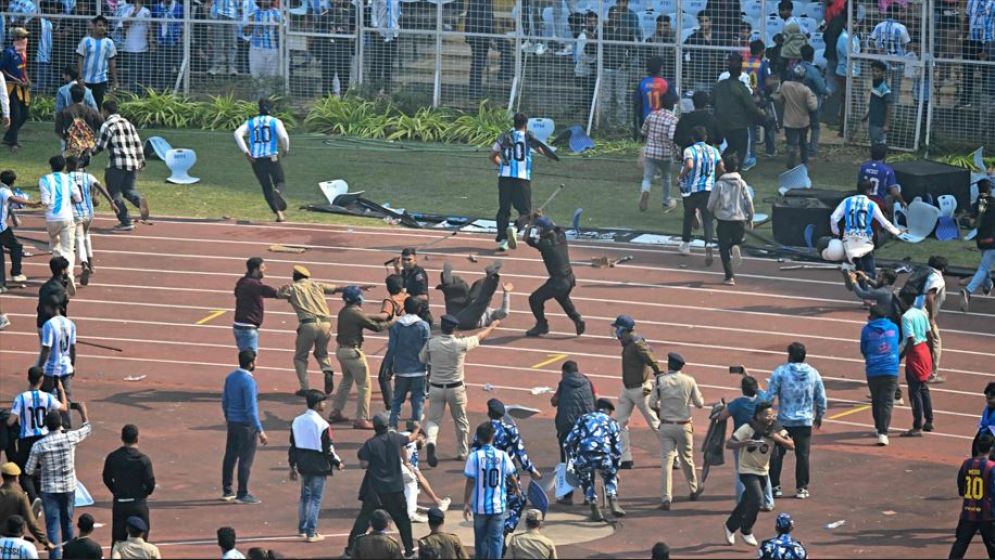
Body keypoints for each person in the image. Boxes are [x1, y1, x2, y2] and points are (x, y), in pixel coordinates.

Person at [421, 314, 499, 466]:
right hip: (455, 387)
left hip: (436, 386)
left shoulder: (432, 343)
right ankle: (462, 452)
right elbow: (479, 336)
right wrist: (493, 326)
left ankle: (431, 441)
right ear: (454, 328)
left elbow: (422, 359)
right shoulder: (461, 344)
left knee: (433, 420)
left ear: (442, 327)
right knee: (461, 421)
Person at [25, 405, 92, 560]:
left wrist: (41, 470)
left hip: (49, 489)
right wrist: (83, 412)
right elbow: (87, 429)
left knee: (52, 527)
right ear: (60, 423)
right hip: (68, 487)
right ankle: (69, 556)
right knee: (67, 523)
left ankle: (54, 556)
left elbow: (28, 470)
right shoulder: (70, 437)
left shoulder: (39, 445)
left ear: (46, 425)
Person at [724, 402, 794, 547]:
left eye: (771, 414)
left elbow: (791, 445)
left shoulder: (776, 428)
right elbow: (729, 443)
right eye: (766, 415)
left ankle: (730, 526)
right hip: (747, 469)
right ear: (758, 415)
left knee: (745, 502)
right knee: (757, 499)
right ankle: (746, 530)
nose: (770, 417)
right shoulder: (747, 428)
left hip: (762, 470)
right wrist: (742, 444)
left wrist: (777, 438)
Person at [763, 342, 826, 500]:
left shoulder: (781, 372)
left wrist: (764, 414)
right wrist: (819, 415)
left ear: (790, 356)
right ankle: (802, 488)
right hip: (804, 421)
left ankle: (775, 486)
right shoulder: (813, 373)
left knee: (777, 454)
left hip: (784, 420)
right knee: (803, 455)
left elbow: (769, 396)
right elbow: (821, 397)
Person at [346, 413, 413, 558]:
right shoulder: (395, 438)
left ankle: (350, 549)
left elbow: (364, 463)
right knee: (403, 520)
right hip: (395, 489)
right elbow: (409, 439)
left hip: (375, 490)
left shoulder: (370, 443)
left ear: (374, 427)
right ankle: (409, 549)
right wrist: (418, 430)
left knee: (363, 520)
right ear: (387, 426)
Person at [470, 399, 541, 535]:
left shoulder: (482, 430)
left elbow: (473, 453)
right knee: (518, 501)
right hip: (507, 475)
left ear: (488, 413)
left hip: (485, 476)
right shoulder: (510, 430)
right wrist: (532, 470)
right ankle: (507, 527)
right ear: (502, 415)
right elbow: (521, 453)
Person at [329, 285, 393, 429]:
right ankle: (361, 418)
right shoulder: (355, 313)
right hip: (352, 353)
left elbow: (363, 317)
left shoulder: (344, 311)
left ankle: (336, 410)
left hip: (341, 350)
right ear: (358, 299)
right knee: (364, 385)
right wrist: (394, 320)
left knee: (346, 380)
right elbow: (377, 327)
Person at [276, 265, 342, 397]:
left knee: (300, 357)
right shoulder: (317, 285)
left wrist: (282, 289)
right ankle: (327, 370)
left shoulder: (293, 288)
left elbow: (279, 295)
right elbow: (337, 288)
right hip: (326, 324)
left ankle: (305, 387)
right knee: (321, 352)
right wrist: (356, 287)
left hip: (308, 324)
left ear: (295, 277)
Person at [650, 352, 704, 511]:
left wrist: (662, 409)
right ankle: (693, 489)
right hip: (684, 424)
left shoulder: (661, 381)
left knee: (666, 461)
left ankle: (666, 497)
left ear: (669, 365)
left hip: (666, 425)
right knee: (687, 458)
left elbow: (652, 403)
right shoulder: (689, 381)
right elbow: (699, 403)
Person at [490, 114, 552, 252]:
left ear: (514, 123)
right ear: (526, 124)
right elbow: (541, 150)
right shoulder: (528, 137)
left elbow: (492, 155)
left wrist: (503, 165)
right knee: (525, 211)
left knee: (503, 209)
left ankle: (503, 240)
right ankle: (515, 227)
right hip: (522, 178)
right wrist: (549, 155)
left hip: (505, 178)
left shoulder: (504, 137)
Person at [7, 367, 68, 505]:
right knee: (45, 469)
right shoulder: (47, 397)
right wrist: (61, 389)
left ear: (28, 379)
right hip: (44, 439)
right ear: (41, 380)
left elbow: (11, 421)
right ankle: (44, 498)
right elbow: (64, 408)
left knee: (25, 473)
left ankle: (34, 499)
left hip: (26, 441)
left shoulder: (21, 398)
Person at [289, 390, 343, 543]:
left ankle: (302, 528)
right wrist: (337, 462)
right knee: (315, 498)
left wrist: (292, 465)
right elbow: (328, 449)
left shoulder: (297, 421)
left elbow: (293, 445)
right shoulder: (323, 424)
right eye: (323, 402)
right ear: (317, 404)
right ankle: (311, 532)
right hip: (318, 463)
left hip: (302, 461)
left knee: (305, 496)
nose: (325, 404)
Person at [610, 315, 661, 470]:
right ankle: (625, 458)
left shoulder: (637, 343)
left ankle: (674, 456)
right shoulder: (627, 343)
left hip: (641, 389)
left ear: (623, 330)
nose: (615, 332)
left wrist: (659, 374)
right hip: (627, 388)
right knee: (619, 423)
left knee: (654, 423)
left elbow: (652, 359)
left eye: (617, 329)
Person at [716, 375, 774, 510]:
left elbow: (721, 416)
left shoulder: (738, 403)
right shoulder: (762, 399)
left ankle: (743, 503)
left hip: (742, 440)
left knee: (741, 472)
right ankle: (768, 501)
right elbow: (759, 388)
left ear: (742, 389)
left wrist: (722, 407)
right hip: (762, 439)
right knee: (764, 470)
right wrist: (745, 373)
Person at [462, 421, 518, 559]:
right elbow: (511, 475)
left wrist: (466, 502)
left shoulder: (474, 457)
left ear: (478, 438)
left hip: (480, 507)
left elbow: (470, 480)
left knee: (480, 539)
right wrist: (517, 488)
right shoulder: (502, 456)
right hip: (498, 506)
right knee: (496, 539)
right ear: (493, 437)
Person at [524, 216, 585, 337]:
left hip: (558, 281)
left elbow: (527, 238)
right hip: (570, 278)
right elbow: (553, 227)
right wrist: (539, 218)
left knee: (534, 299)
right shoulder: (561, 235)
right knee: (562, 298)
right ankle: (577, 318)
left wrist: (531, 224)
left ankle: (542, 325)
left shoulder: (546, 245)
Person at [220, 350, 268, 505]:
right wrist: (260, 430)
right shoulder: (249, 382)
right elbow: (251, 409)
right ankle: (242, 492)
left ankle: (227, 490)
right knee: (246, 460)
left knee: (230, 456)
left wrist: (229, 417)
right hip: (246, 425)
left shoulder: (230, 377)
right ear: (251, 363)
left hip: (233, 423)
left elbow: (225, 401)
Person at [93, 99, 148, 231]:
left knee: (114, 192)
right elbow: (137, 143)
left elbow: (100, 146)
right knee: (128, 190)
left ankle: (126, 220)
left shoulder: (107, 125)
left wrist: (89, 153)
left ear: (105, 111)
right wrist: (141, 160)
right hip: (133, 162)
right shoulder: (128, 123)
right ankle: (139, 200)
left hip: (117, 163)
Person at [564, 398, 624, 521]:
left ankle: (594, 506)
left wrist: (573, 459)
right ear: (608, 411)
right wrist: (616, 468)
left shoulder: (583, 418)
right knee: (610, 476)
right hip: (604, 455)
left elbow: (568, 442)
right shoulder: (612, 422)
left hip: (584, 455)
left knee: (586, 480)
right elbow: (617, 448)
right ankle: (613, 500)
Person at [829, 179, 902, 279]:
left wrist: (836, 232)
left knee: (859, 266)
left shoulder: (847, 201)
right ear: (869, 191)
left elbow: (833, 218)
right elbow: (884, 222)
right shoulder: (871, 204)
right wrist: (898, 232)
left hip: (849, 239)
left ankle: (850, 269)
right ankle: (855, 275)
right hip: (864, 240)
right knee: (871, 273)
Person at [234, 99, 290, 222]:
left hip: (256, 160)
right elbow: (284, 137)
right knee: (280, 181)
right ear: (271, 109)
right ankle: (277, 192)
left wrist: (246, 152)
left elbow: (237, 133)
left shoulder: (251, 122)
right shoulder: (275, 122)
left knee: (265, 186)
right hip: (272, 157)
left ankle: (279, 214)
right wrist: (286, 149)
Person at [550, 360, 596, 505]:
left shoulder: (563, 384)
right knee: (588, 461)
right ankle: (589, 495)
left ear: (565, 372)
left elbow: (554, 401)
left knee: (568, 461)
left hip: (567, 428)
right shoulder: (587, 381)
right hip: (586, 427)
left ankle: (568, 496)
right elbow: (595, 399)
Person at [101, 424, 154, 546]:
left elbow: (106, 478)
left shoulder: (113, 457)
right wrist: (143, 494)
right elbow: (150, 484)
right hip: (138, 503)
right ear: (137, 438)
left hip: (120, 503)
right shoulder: (143, 460)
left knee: (118, 541)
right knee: (141, 541)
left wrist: (115, 491)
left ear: (122, 438)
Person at [707, 153, 755, 286]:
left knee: (723, 248)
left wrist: (711, 212)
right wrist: (750, 217)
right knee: (737, 240)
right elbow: (749, 201)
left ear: (724, 168)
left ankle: (729, 276)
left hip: (723, 219)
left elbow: (711, 203)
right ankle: (736, 246)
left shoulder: (719, 184)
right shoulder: (742, 183)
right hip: (739, 218)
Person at [678, 126, 724, 263]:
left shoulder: (689, 150)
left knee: (688, 215)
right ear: (705, 137)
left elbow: (690, 165)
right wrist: (716, 178)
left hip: (692, 189)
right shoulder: (714, 151)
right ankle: (708, 245)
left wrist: (680, 177)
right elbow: (721, 167)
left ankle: (686, 244)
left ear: (693, 138)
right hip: (708, 189)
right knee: (708, 219)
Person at [385, 297, 431, 429]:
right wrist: (430, 369)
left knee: (397, 399)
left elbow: (391, 348)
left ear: (405, 307)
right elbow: (427, 349)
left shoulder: (397, 326)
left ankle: (392, 426)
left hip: (401, 369)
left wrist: (388, 366)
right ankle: (415, 428)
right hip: (419, 370)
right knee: (418, 400)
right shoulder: (423, 326)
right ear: (419, 309)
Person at [39, 155, 82, 295]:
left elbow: (45, 201)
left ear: (51, 166)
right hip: (67, 217)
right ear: (64, 166)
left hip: (52, 218)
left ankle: (59, 276)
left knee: (55, 248)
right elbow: (78, 198)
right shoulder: (69, 179)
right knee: (68, 249)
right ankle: (69, 273)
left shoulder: (44, 179)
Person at [66, 155, 112, 287]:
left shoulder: (66, 178)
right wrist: (110, 202)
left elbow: (72, 196)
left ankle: (84, 263)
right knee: (86, 236)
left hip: (75, 213)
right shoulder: (88, 176)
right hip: (88, 212)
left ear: (68, 166)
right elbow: (99, 187)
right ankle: (91, 263)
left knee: (78, 239)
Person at [713, 54, 766, 167]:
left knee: (730, 146)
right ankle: (735, 170)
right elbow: (750, 102)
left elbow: (712, 100)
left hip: (721, 120)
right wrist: (762, 116)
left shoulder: (721, 80)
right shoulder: (743, 83)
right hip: (739, 122)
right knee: (741, 148)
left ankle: (721, 166)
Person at [950, 432, 995, 559]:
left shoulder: (967, 464)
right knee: (992, 545)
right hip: (987, 515)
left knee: (960, 544)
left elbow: (960, 484)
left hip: (968, 513)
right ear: (991, 449)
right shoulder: (991, 467)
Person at [860, 305, 900, 446]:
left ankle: (879, 427)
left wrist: (871, 358)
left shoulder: (867, 330)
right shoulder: (894, 328)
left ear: (873, 316)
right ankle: (883, 432)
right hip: (891, 369)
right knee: (887, 402)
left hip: (873, 370)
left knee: (876, 400)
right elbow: (897, 342)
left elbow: (863, 349)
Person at [37, 296, 77, 428]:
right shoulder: (70, 324)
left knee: (44, 397)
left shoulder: (48, 325)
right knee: (66, 399)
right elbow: (72, 347)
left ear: (49, 308)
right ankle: (67, 427)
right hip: (66, 367)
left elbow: (46, 348)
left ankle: (43, 425)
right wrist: (73, 364)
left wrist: (40, 366)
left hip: (51, 369)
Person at [898, 291, 934, 437]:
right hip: (925, 350)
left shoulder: (906, 317)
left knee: (915, 392)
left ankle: (917, 425)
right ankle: (929, 420)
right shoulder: (921, 313)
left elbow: (911, 340)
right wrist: (930, 354)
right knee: (924, 388)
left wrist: (901, 356)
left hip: (915, 354)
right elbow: (929, 335)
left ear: (903, 302)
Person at [435, 261, 509, 330]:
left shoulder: (492, 316)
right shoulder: (489, 310)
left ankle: (492, 276)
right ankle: (449, 282)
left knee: (483, 300)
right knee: (467, 288)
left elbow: (504, 312)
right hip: (460, 312)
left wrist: (506, 292)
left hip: (468, 321)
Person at [639, 90, 680, 212]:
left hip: (650, 151)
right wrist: (677, 153)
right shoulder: (673, 119)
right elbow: (672, 138)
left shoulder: (652, 115)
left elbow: (643, 132)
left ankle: (645, 191)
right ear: (672, 105)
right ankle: (666, 201)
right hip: (665, 154)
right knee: (666, 177)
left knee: (647, 177)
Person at [0, 170, 40, 292]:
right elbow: (14, 199)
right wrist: (32, 204)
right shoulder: (5, 191)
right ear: (12, 182)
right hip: (1, 228)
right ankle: (16, 273)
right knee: (16, 247)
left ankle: (1, 284)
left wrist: (13, 216)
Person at [773, 64, 818, 169]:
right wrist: (814, 97)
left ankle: (791, 151)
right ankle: (804, 163)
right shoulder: (805, 90)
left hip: (789, 120)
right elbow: (813, 106)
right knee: (803, 143)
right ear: (803, 77)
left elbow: (780, 99)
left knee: (791, 141)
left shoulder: (785, 85)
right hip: (803, 121)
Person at [233, 257, 279, 354]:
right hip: (247, 328)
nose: (265, 269)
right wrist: (280, 293)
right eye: (262, 267)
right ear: (255, 270)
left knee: (246, 358)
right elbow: (266, 290)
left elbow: (237, 293)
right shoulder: (252, 283)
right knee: (250, 360)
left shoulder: (243, 281)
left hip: (241, 326)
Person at [961, 179, 995, 312]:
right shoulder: (993, 202)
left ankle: (987, 286)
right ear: (989, 189)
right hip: (993, 240)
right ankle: (968, 290)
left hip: (982, 241)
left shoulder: (977, 204)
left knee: (985, 266)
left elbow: (972, 222)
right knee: (983, 268)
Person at [0, 463, 50, 552]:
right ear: (16, 478)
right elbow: (31, 523)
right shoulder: (20, 496)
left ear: (2, 476)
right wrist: (45, 541)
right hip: (16, 539)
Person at [915, 255, 948, 383]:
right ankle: (931, 375)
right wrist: (931, 317)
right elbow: (930, 297)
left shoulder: (924, 273)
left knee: (909, 343)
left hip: (913, 310)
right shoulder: (937, 279)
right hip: (923, 314)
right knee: (935, 342)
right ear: (943, 268)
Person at [76, 15, 118, 108]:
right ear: (94, 26)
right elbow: (80, 59)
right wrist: (80, 77)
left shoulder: (109, 42)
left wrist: (115, 80)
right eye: (99, 25)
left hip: (101, 80)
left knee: (97, 106)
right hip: (85, 80)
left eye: (104, 26)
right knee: (83, 107)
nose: (102, 28)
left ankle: (96, 122)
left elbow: (112, 63)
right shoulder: (85, 41)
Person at [55, 75, 103, 156]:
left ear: (71, 96)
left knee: (71, 166)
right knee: (82, 166)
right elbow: (103, 126)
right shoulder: (93, 112)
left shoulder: (64, 112)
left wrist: (66, 139)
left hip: (71, 146)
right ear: (83, 96)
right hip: (88, 147)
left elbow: (58, 130)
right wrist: (93, 138)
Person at [1, 28, 31, 152]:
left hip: (22, 87)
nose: (26, 40)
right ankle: (13, 142)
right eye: (23, 37)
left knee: (25, 113)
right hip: (11, 87)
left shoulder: (23, 52)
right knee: (16, 115)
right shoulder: (9, 52)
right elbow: (2, 70)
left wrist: (27, 80)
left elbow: (23, 69)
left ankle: (9, 137)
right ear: (17, 38)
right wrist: (16, 80)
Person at [113, 0, 153, 93]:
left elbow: (150, 29)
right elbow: (123, 27)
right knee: (133, 74)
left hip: (144, 47)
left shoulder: (147, 11)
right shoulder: (126, 10)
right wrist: (134, 14)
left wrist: (151, 43)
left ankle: (144, 95)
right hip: (131, 48)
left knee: (144, 74)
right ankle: (133, 96)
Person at [243, 0, 282, 93]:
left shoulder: (277, 13)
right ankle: (257, 101)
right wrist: (248, 25)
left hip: (272, 49)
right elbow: (246, 31)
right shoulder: (253, 14)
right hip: (256, 49)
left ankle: (269, 100)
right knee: (256, 76)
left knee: (271, 77)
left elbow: (282, 31)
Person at [858, 143, 906, 212]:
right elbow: (895, 193)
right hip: (878, 205)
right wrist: (902, 202)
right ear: (884, 155)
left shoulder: (863, 167)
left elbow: (860, 185)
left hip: (863, 203)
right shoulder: (887, 170)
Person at [392, 248, 432, 325]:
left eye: (409, 259)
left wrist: (406, 297)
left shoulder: (418, 274)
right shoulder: (405, 272)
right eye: (404, 259)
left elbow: (424, 297)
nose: (406, 262)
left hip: (421, 317)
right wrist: (396, 267)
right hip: (409, 316)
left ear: (415, 260)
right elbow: (401, 281)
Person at [632, 55, 670, 138]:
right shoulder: (665, 83)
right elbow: (674, 99)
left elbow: (636, 102)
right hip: (662, 120)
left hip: (645, 119)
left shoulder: (642, 83)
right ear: (661, 68)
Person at [367, 0, 400, 93]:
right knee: (378, 60)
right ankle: (375, 86)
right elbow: (373, 13)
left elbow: (397, 12)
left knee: (389, 61)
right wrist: (375, 28)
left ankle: (387, 87)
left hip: (393, 33)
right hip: (380, 33)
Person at [35, 257, 70, 338]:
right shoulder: (59, 289)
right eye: (67, 269)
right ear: (62, 271)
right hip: (52, 326)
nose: (68, 271)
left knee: (45, 349)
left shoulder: (45, 286)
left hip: (41, 323)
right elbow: (54, 309)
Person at [863, 60, 892, 145]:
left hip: (879, 123)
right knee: (874, 143)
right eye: (873, 71)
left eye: (877, 71)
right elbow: (874, 103)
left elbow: (889, 106)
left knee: (879, 146)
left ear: (883, 73)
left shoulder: (884, 88)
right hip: (872, 120)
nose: (874, 73)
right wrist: (867, 115)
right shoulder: (875, 85)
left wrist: (886, 125)